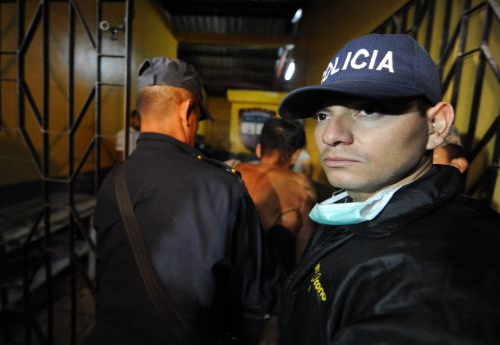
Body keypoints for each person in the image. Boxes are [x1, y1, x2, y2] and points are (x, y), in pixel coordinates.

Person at [276, 33, 500, 344]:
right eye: (323, 115)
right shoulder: (354, 206)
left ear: (435, 126)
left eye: (368, 110)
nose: (331, 135)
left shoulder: (440, 279)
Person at [90, 57, 280, 344]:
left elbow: (104, 270)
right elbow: (256, 294)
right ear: (188, 111)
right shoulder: (222, 187)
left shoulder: (112, 183)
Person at [235, 118, 317, 272]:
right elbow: (304, 251)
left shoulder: (234, 171)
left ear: (259, 149)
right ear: (296, 154)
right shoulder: (301, 186)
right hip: (265, 281)